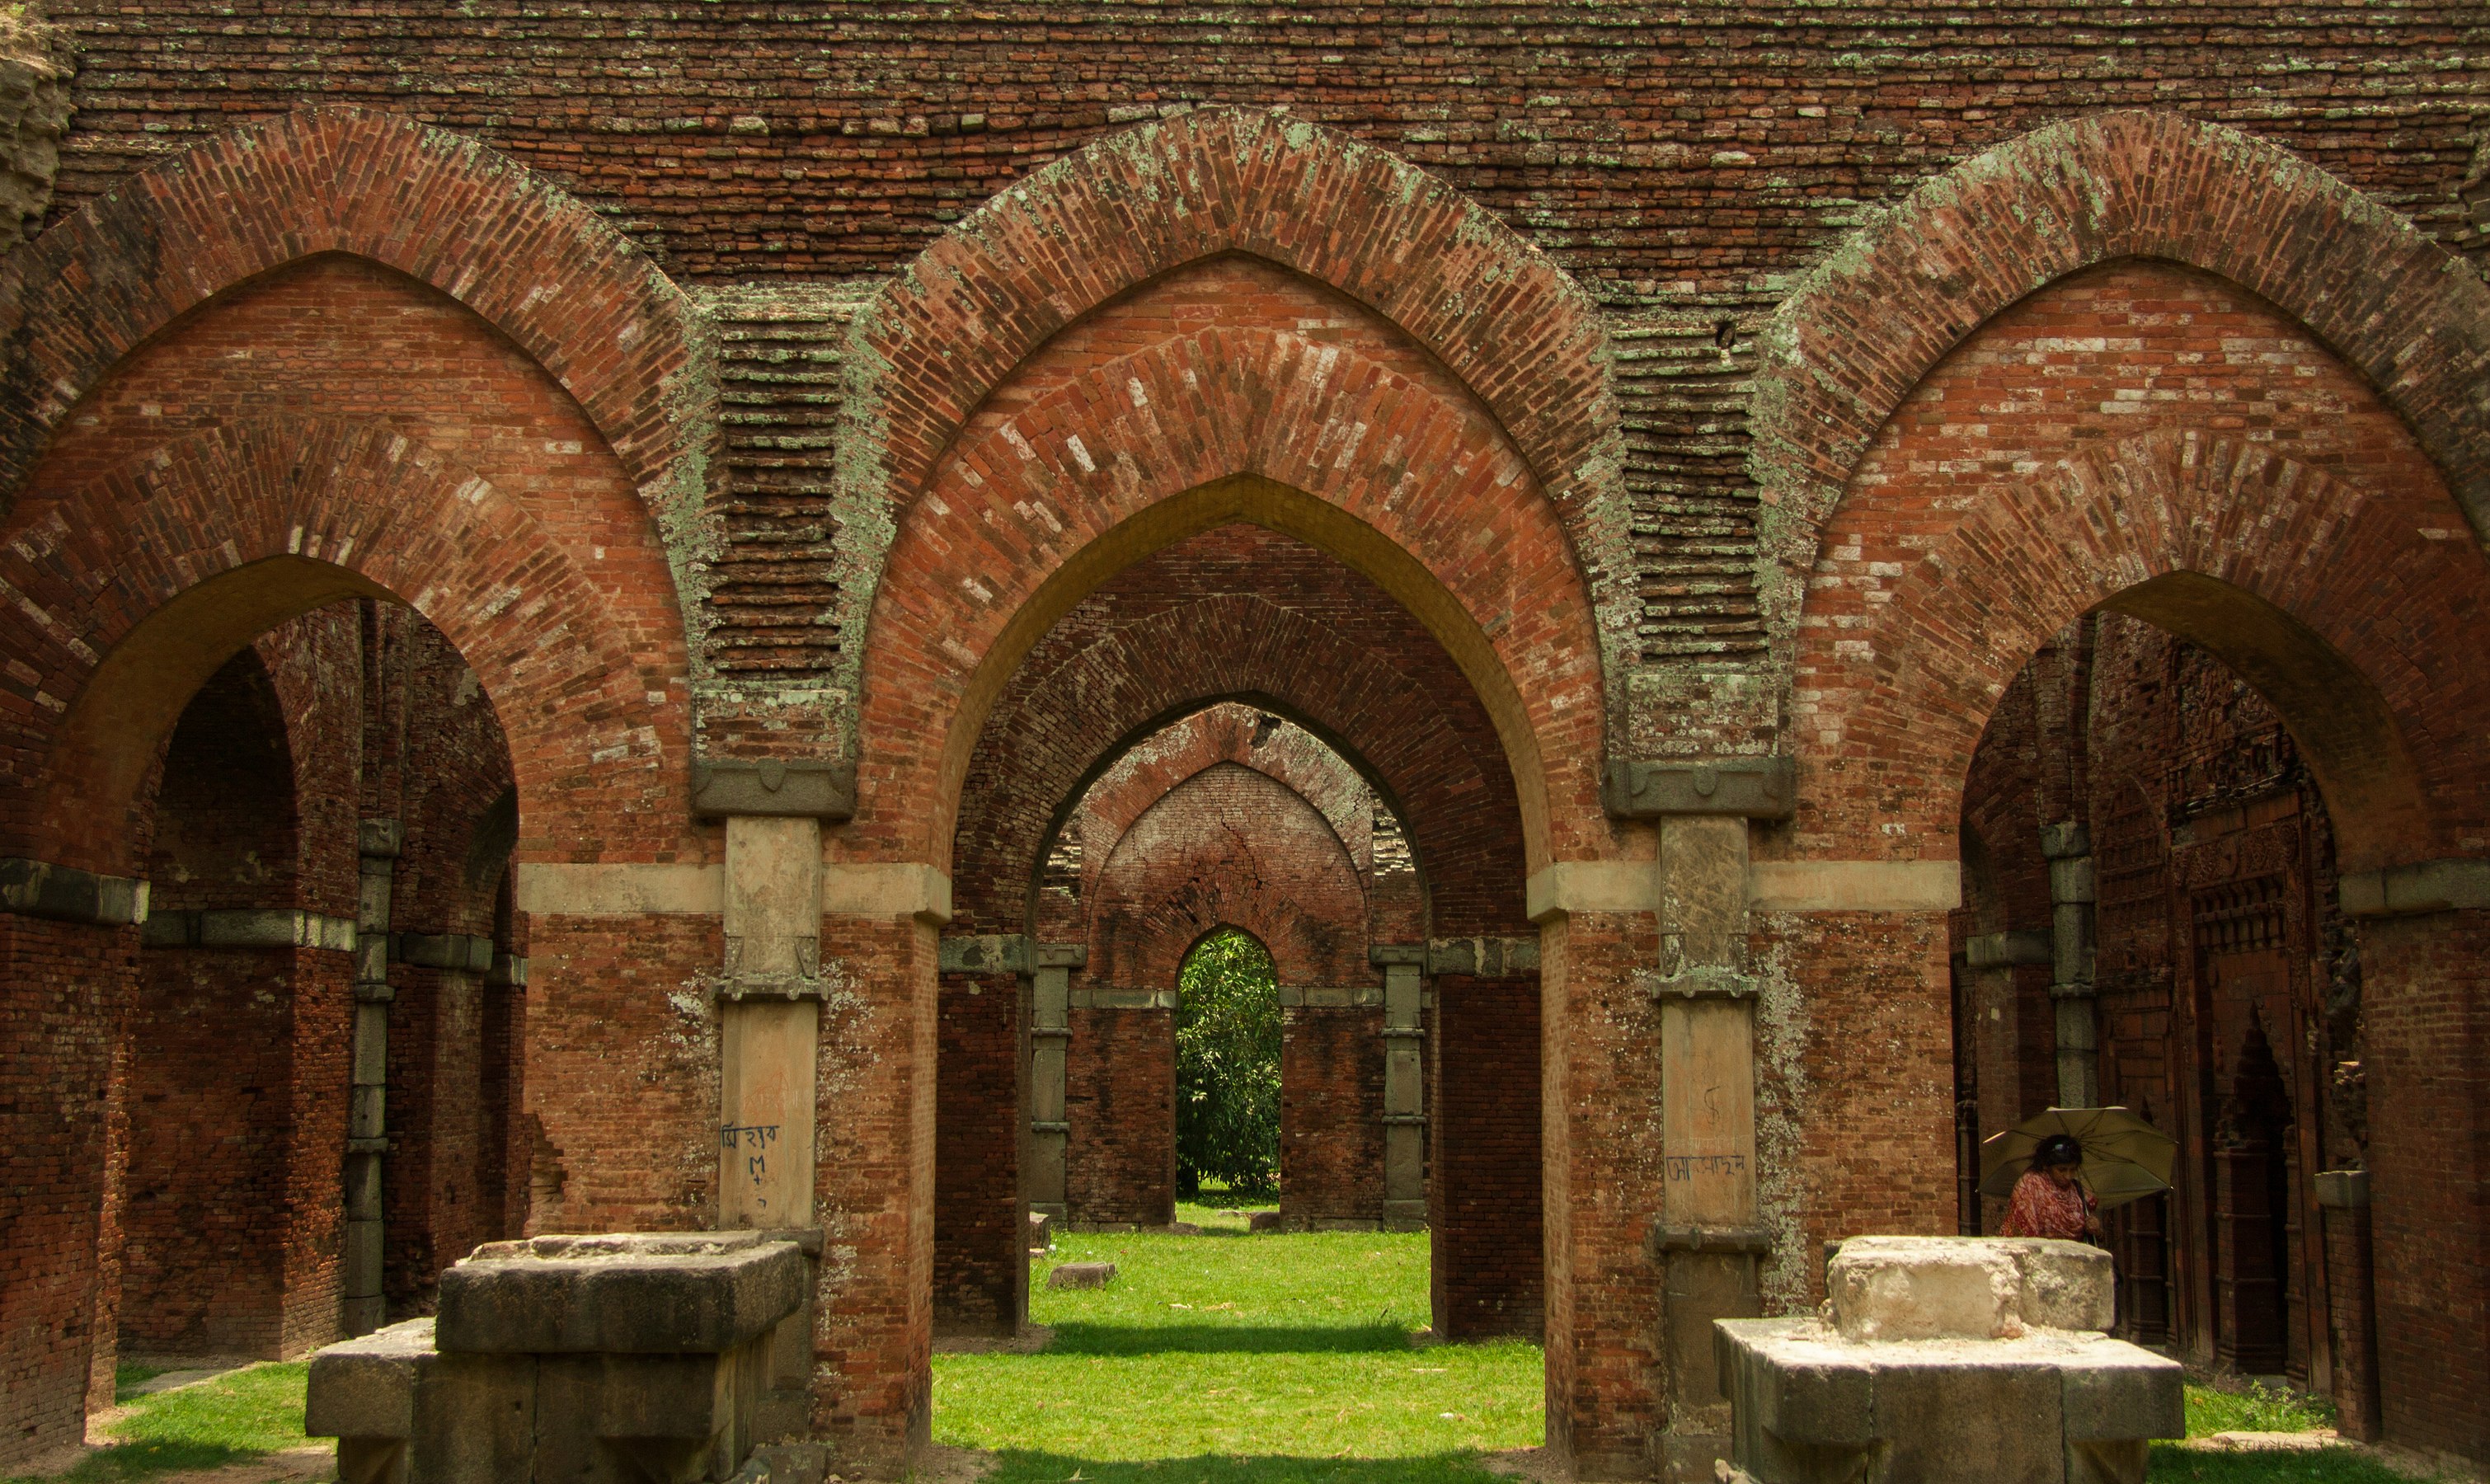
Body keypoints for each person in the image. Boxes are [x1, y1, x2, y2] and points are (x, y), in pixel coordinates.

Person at [2000, 1133, 2102, 1241]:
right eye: (2061, 1170)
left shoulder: (2078, 1191)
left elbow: (2094, 1238)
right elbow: (2020, 1232)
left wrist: (2097, 1230)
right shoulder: (2030, 1185)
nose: (2068, 1176)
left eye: (2073, 1170)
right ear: (2046, 1166)